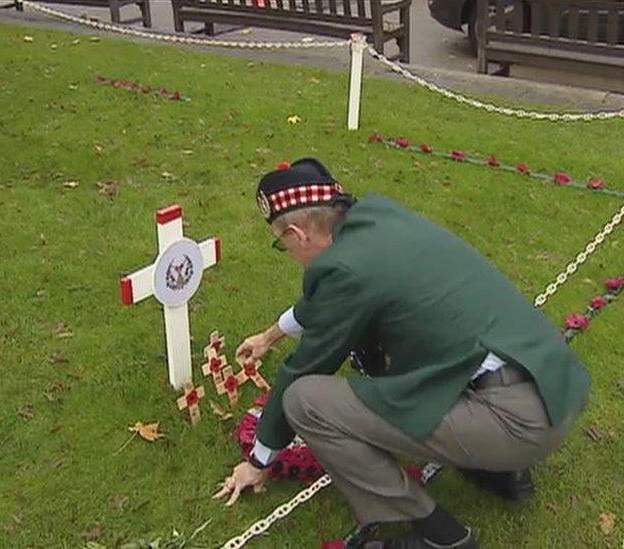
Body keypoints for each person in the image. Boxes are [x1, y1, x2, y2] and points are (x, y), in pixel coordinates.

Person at [213, 158, 590, 549]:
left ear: (298, 233)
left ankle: (444, 538)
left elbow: (303, 368)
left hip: (514, 421)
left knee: (305, 401)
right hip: (552, 385)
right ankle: (501, 470)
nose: (288, 251)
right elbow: (328, 302)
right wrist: (271, 335)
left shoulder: (347, 270)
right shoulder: (378, 219)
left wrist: (259, 460)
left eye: (282, 243)